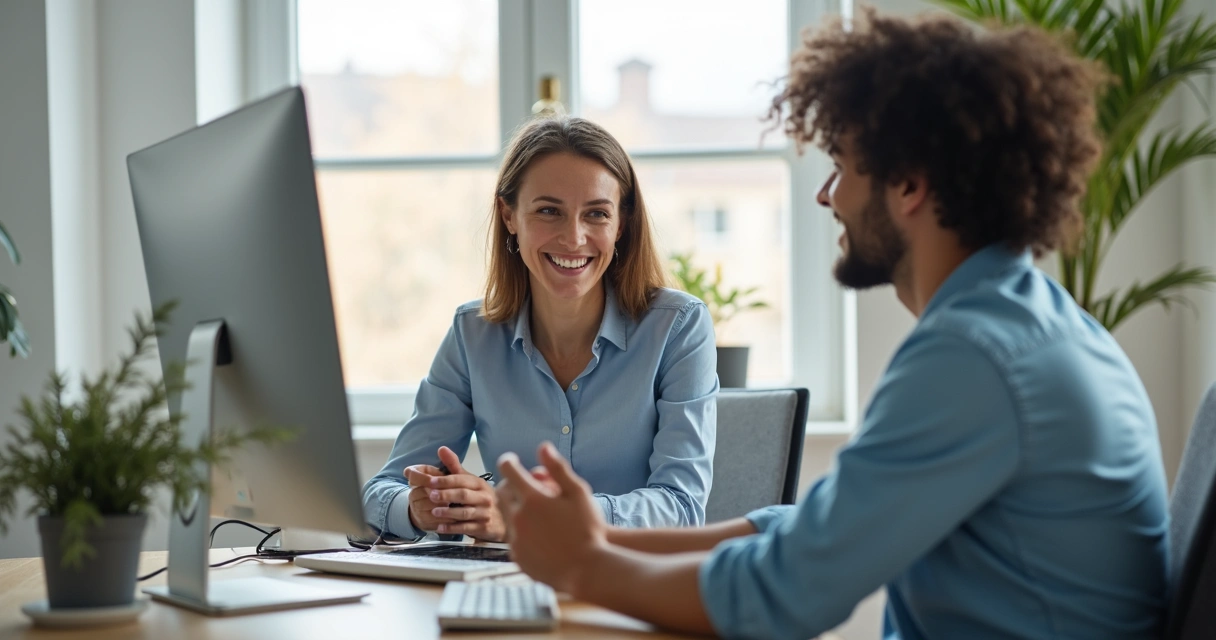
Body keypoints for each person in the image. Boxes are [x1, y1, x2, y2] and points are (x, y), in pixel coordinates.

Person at [494, 9, 1169, 639]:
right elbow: (811, 530)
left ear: (908, 183)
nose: (827, 195)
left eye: (842, 167)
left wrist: (581, 566)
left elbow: (784, 595)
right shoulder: (1019, 321)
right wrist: (597, 539)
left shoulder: (975, 356)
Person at [362, 116, 718, 543]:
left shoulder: (677, 328)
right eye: (549, 211)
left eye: (596, 214)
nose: (573, 237)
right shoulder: (472, 335)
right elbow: (382, 493)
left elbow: (681, 507)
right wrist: (423, 509)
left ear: (621, 224)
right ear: (509, 215)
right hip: (505, 587)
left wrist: (527, 517)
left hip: (632, 588)